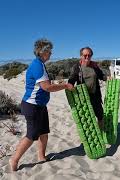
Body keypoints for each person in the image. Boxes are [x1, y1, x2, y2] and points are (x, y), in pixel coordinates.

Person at [9, 38, 74, 171]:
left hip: (40, 105)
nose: (51, 54)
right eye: (50, 51)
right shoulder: (37, 66)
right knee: (32, 135)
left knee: (44, 132)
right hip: (32, 106)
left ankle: (41, 156)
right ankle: (14, 159)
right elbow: (47, 87)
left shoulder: (40, 64)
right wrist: (65, 85)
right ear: (43, 52)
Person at [68, 47, 109, 130]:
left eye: (89, 55)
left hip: (95, 95)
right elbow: (72, 78)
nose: (87, 57)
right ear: (81, 56)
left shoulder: (94, 66)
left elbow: (101, 75)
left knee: (100, 115)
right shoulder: (77, 67)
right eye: (85, 55)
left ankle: (100, 132)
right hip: (83, 97)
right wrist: (70, 84)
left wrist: (107, 78)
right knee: (87, 117)